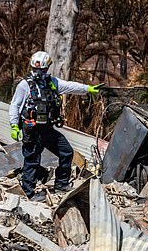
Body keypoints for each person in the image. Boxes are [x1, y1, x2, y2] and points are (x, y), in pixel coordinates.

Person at [9, 51, 102, 201]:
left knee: (66, 152)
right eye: (37, 69)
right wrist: (14, 125)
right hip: (32, 130)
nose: (39, 73)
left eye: (43, 70)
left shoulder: (52, 83)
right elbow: (15, 105)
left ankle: (61, 184)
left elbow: (71, 86)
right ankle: (29, 193)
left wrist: (88, 89)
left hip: (48, 129)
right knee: (32, 160)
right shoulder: (24, 85)